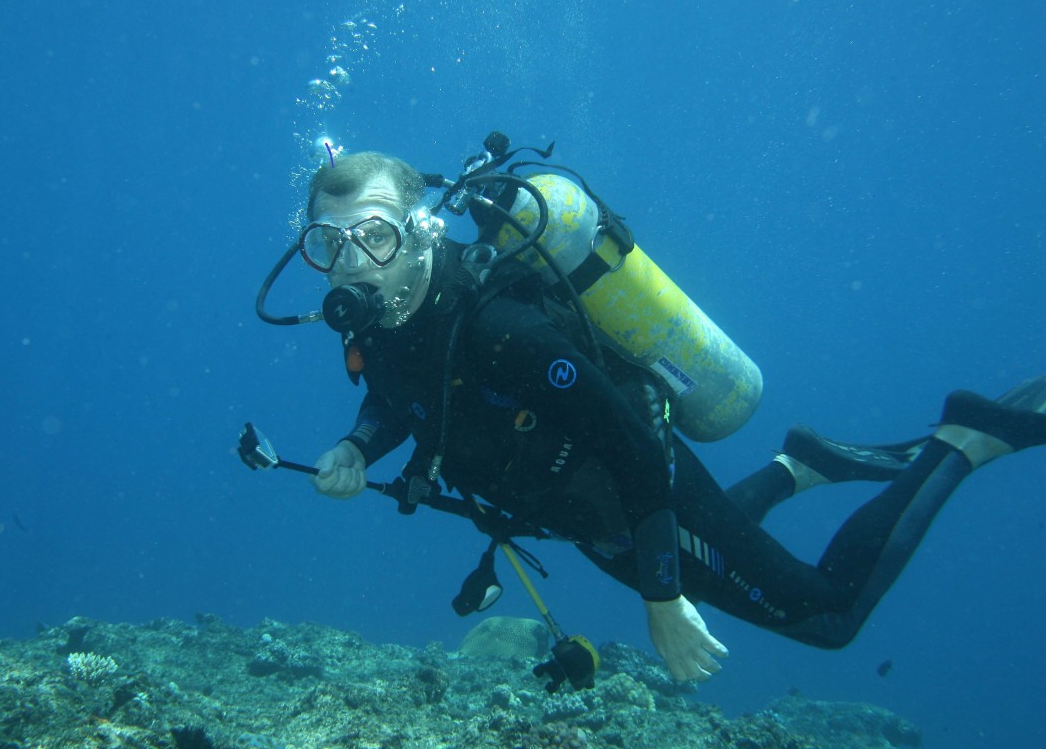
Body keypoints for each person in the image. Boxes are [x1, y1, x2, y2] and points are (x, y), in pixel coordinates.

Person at [288, 150, 1046, 683]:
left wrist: (662, 600)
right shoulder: (377, 321)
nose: (352, 263)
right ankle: (798, 467)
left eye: (375, 235)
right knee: (711, 551)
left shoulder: (502, 330)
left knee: (826, 619)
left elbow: (633, 446)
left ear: (419, 230)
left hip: (634, 487)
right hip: (585, 516)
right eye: (329, 243)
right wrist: (359, 444)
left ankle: (962, 440)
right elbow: (398, 393)